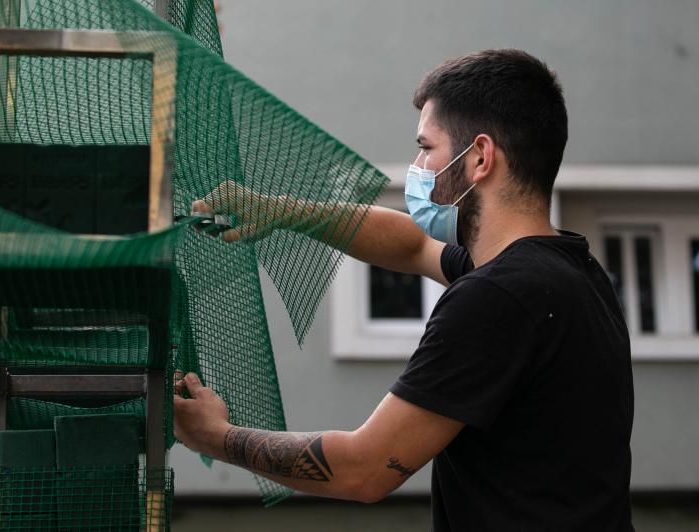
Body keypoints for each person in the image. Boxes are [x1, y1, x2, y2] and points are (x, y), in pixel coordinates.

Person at [174, 49, 634, 531]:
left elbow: (365, 469)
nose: (417, 166)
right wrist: (282, 212)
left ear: (479, 157)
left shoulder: (499, 297)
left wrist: (215, 437)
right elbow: (414, 246)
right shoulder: (569, 270)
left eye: (426, 147)